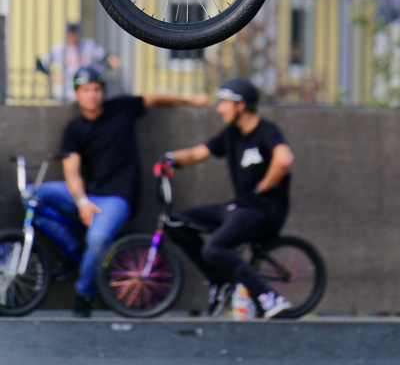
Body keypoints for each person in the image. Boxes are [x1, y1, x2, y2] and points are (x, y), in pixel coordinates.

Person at [31, 64, 211, 317]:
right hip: (87, 195)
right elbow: (71, 170)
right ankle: (76, 250)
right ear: (77, 94)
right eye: (85, 90)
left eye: (96, 89)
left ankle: (84, 293)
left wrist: (191, 99)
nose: (92, 95)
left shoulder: (122, 108)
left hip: (117, 198)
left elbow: (154, 98)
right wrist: (82, 202)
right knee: (31, 194)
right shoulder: (74, 128)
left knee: (99, 238)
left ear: (102, 91)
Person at [162, 77, 294, 319]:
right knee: (175, 222)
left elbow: (284, 159)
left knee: (215, 247)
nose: (220, 108)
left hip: (264, 210)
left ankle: (268, 296)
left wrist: (267, 183)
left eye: (225, 103)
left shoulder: (266, 131)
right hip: (241, 207)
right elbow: (197, 153)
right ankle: (218, 280)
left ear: (241, 105)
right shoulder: (232, 134)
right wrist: (170, 160)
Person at [39, 21, 121, 101]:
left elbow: (104, 56)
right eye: (70, 34)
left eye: (75, 34)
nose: (73, 37)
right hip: (65, 90)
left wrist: (112, 60)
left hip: (85, 87)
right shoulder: (59, 49)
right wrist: (52, 77)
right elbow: (41, 64)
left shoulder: (88, 45)